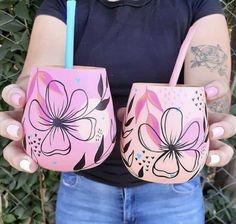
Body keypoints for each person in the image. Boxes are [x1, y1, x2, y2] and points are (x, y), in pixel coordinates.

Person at [1, 0, 236, 223]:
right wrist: (27, 101)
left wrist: (209, 105)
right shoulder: (66, 3)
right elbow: (39, 77)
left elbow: (209, 85)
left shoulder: (196, 3)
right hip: (83, 182)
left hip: (173, 183)